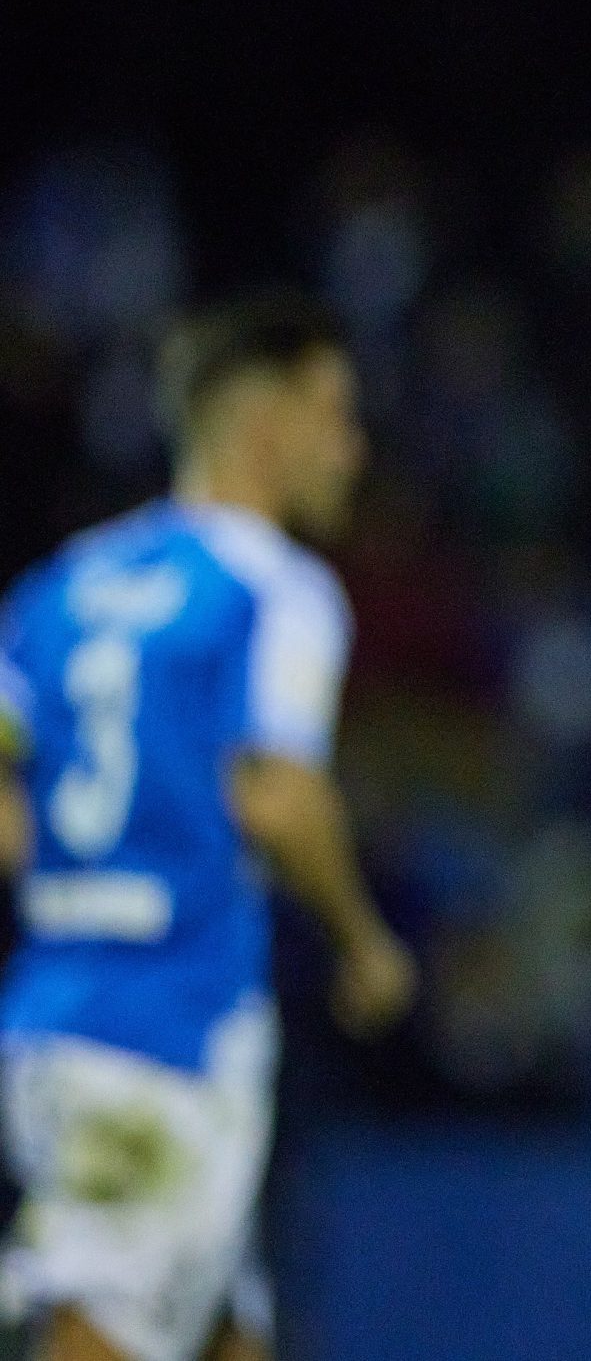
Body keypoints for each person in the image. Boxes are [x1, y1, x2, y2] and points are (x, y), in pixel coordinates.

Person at [0, 295, 415, 1361]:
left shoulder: (66, 584)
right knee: (101, 1333)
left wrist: (78, 876)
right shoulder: (273, 587)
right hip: (171, 1025)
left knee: (230, 1329)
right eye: (336, 415)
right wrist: (364, 942)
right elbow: (275, 790)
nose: (352, 449)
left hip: (54, 1011)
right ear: (266, 421)